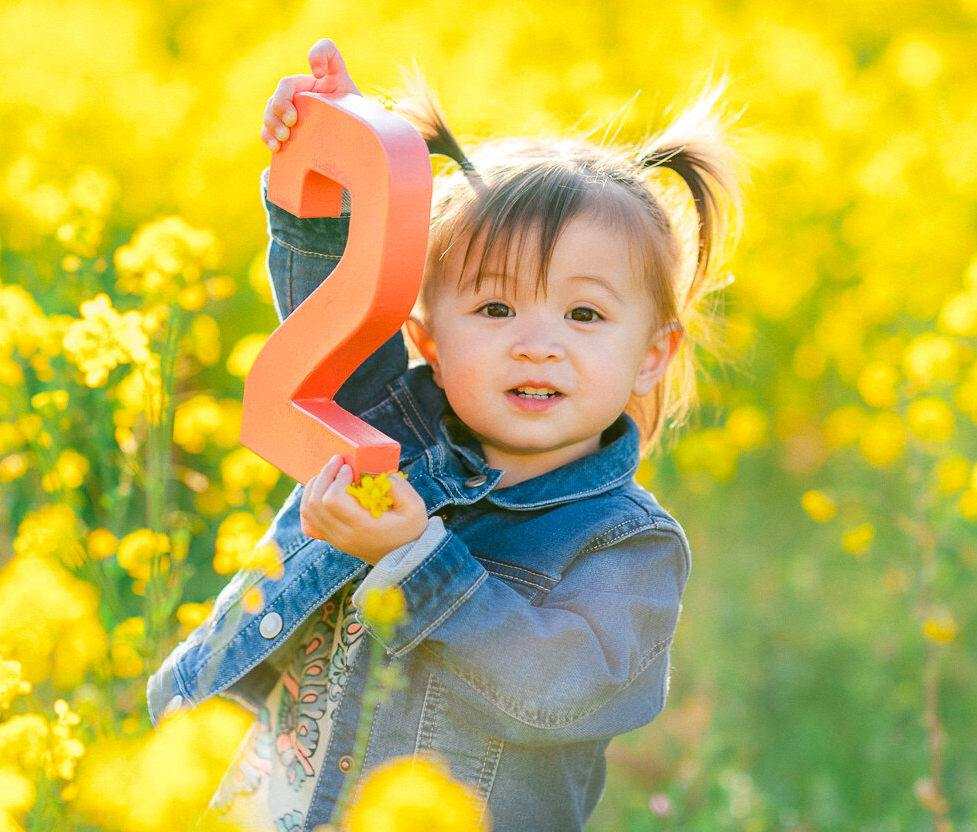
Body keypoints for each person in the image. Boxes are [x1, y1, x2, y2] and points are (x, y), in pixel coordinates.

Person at [148, 37, 746, 831]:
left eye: (585, 314)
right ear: (427, 334)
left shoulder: (625, 546)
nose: (538, 343)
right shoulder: (392, 422)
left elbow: (557, 691)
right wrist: (327, 161)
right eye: (496, 310)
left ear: (652, 356)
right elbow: (334, 311)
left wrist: (413, 560)